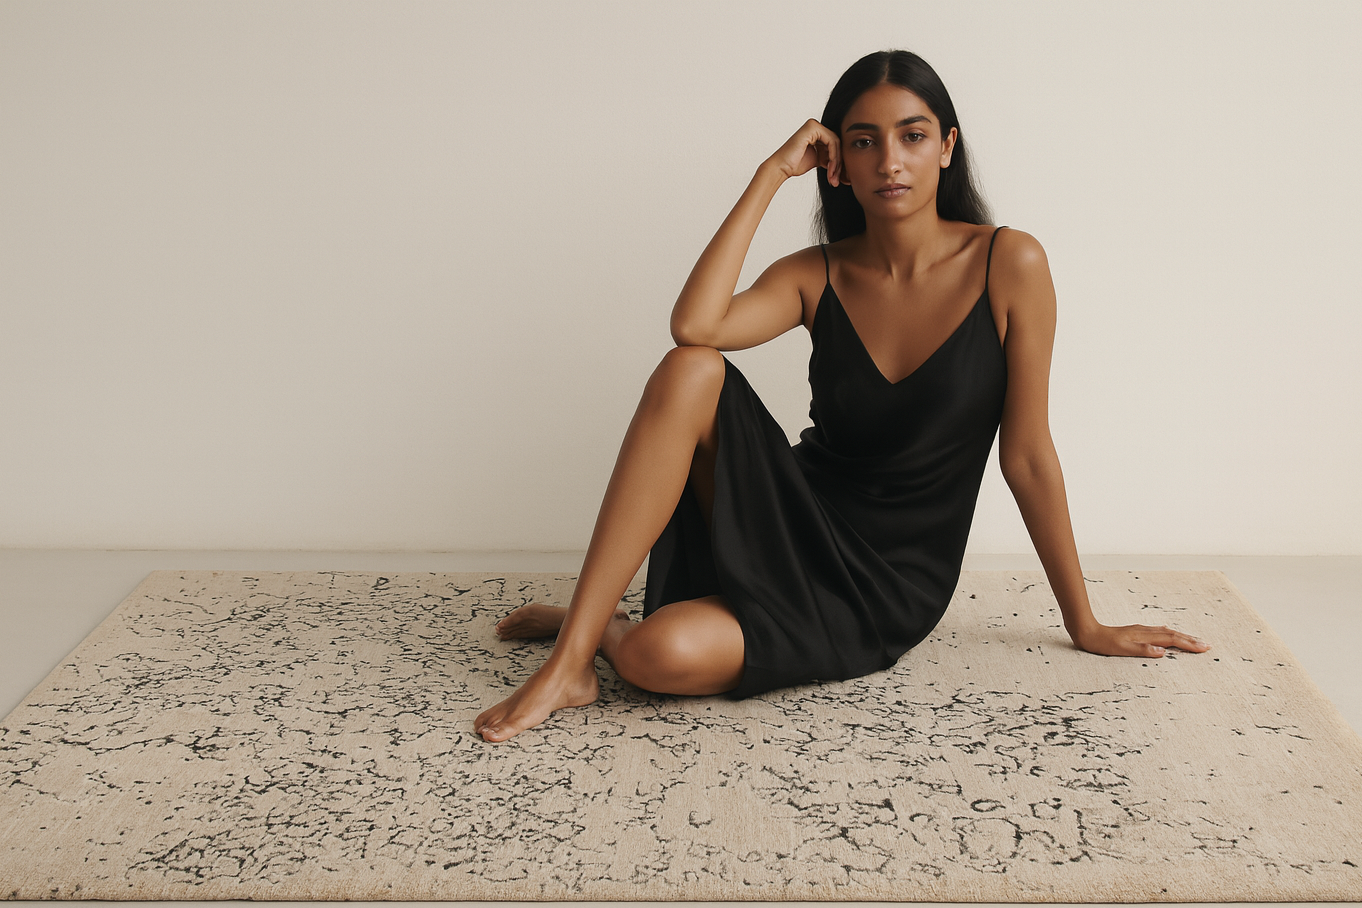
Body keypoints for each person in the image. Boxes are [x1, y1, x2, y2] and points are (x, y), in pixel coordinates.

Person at [473, 50, 1210, 744]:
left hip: (886, 582)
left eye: (912, 135)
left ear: (947, 147)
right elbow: (695, 326)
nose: (889, 161)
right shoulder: (816, 273)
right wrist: (769, 173)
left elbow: (1027, 456)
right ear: (837, 164)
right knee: (689, 369)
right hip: (792, 516)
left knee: (653, 660)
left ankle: (601, 627)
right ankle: (571, 659)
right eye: (863, 142)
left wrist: (1083, 621)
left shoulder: (1009, 263)